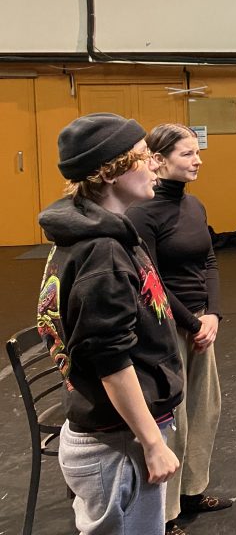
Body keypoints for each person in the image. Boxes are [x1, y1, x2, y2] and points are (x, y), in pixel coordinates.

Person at [36, 113, 182, 535]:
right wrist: (151, 443)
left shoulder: (99, 235)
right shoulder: (102, 252)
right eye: (142, 156)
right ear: (109, 172)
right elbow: (110, 361)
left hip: (117, 437)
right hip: (118, 444)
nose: (154, 163)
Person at [126, 124, 232, 535]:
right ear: (158, 160)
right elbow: (150, 280)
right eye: (187, 154)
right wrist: (192, 322)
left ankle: (192, 492)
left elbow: (210, 262)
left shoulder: (194, 205)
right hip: (168, 327)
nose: (197, 160)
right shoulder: (142, 214)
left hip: (201, 324)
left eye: (197, 152)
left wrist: (213, 314)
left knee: (205, 411)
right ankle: (166, 515)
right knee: (175, 422)